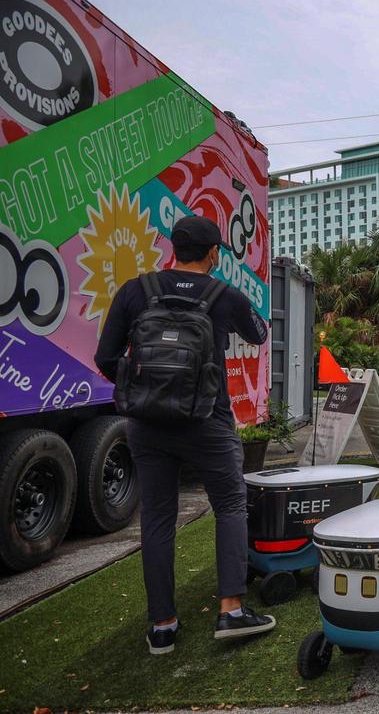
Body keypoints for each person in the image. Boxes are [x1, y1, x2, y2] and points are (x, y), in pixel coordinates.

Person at [94, 215, 274, 655]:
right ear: (213, 253)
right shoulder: (224, 295)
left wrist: (145, 391)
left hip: (147, 426)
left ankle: (162, 625)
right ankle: (231, 610)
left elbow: (105, 357)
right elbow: (259, 333)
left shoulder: (136, 290)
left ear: (173, 249)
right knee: (230, 505)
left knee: (157, 517)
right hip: (207, 421)